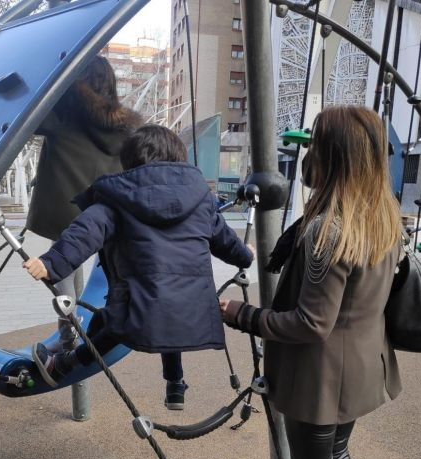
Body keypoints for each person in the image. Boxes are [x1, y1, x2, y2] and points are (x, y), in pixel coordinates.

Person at [220, 105, 402, 459]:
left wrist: (241, 314)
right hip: (362, 370)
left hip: (322, 379)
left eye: (316, 145)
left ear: (331, 156)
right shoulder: (382, 214)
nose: (307, 156)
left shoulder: (328, 228)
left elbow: (310, 323)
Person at [24, 125, 254, 407]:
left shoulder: (117, 197)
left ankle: (64, 364)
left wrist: (51, 263)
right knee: (170, 310)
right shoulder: (201, 200)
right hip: (192, 311)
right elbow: (225, 241)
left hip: (136, 309)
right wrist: (246, 256)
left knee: (111, 327)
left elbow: (85, 231)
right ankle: (175, 386)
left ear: (130, 161)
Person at [26, 55, 142, 352]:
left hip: (64, 207)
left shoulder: (64, 114)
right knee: (80, 263)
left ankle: (69, 335)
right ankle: (95, 324)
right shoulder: (124, 127)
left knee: (60, 264)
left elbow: (27, 118)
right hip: (103, 212)